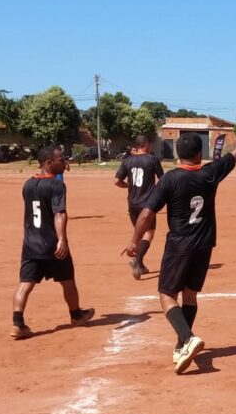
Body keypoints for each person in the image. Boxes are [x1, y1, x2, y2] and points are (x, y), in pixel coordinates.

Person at [124, 111, 236, 374]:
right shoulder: (210, 174)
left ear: (178, 154)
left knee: (166, 295)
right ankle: (183, 343)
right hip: (204, 244)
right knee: (190, 293)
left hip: (179, 244)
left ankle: (188, 337)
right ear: (198, 154)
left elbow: (147, 213)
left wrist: (134, 241)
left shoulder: (170, 178)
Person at [12, 146, 96, 340]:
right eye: (61, 159)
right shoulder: (57, 185)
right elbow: (59, 213)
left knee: (25, 284)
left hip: (31, 244)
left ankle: (17, 323)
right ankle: (76, 315)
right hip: (51, 244)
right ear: (49, 163)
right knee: (68, 281)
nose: (64, 162)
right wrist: (62, 240)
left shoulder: (28, 184)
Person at [114, 135, 164, 278]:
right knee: (149, 233)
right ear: (146, 145)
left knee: (139, 232)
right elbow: (162, 180)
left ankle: (140, 265)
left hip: (132, 203)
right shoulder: (152, 160)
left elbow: (117, 181)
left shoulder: (127, 160)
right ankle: (137, 259)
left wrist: (128, 185)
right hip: (147, 204)